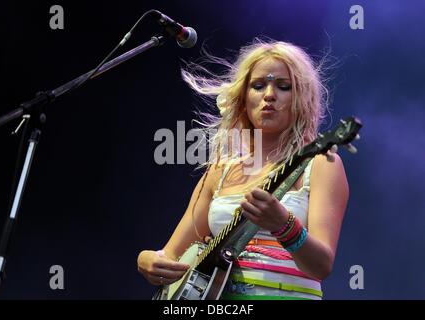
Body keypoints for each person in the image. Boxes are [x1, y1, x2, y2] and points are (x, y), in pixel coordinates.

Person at [137, 39, 349, 300]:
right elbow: (170, 254)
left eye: (283, 87)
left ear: (301, 99)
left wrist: (284, 225)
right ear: (243, 98)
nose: (269, 95)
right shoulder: (220, 172)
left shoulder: (321, 165)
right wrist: (147, 260)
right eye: (258, 86)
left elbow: (322, 266)